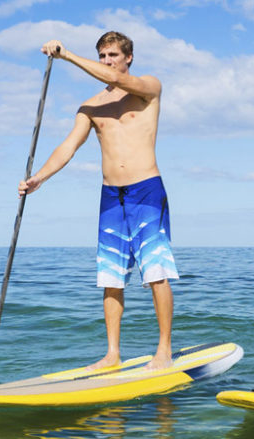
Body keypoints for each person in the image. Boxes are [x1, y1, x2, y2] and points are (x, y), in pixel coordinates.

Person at [18, 31, 179, 371]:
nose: (108, 62)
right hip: (110, 196)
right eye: (103, 55)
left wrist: (69, 56)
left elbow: (116, 79)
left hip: (146, 190)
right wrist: (38, 179)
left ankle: (163, 351)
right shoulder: (91, 106)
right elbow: (67, 147)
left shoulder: (148, 87)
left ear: (128, 57)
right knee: (111, 277)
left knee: (156, 272)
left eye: (113, 55)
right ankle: (112, 355)